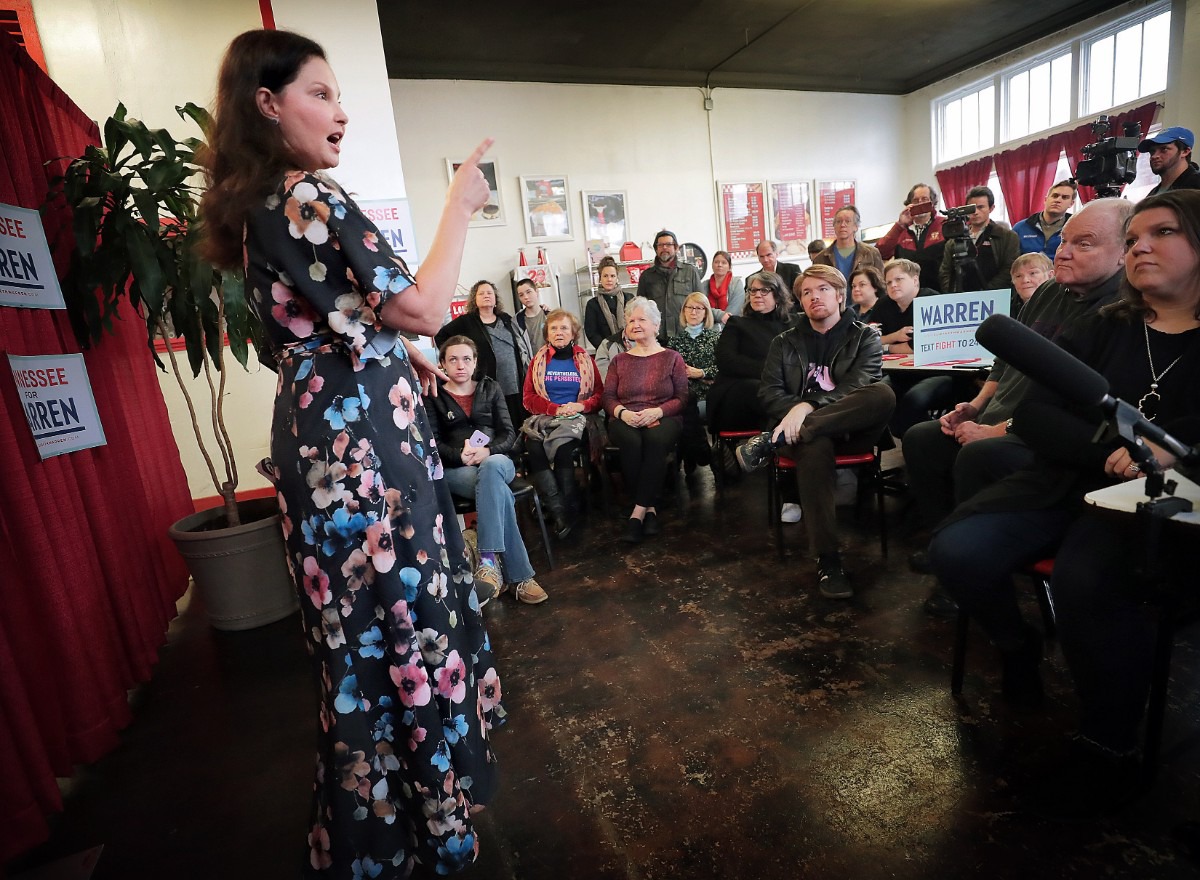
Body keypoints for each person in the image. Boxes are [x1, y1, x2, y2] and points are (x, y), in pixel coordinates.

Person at [198, 29, 501, 875]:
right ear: (269, 103)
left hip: (324, 433)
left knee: (360, 634)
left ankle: (398, 819)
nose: (341, 112)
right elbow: (425, 307)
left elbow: (310, 327)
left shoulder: (262, 205)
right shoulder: (306, 196)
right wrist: (459, 206)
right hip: (361, 451)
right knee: (400, 623)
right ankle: (423, 825)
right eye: (320, 94)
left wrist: (378, 348)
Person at [928, 190, 1200, 815]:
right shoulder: (1106, 326)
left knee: (1085, 579)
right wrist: (1114, 445)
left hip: (1157, 512)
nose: (1140, 246)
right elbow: (1036, 416)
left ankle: (1109, 735)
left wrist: (1164, 455)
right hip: (1065, 483)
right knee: (956, 551)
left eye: (1161, 233)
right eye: (1133, 239)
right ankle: (1018, 645)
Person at [905, 199, 1133, 617]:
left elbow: (1068, 404)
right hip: (1002, 414)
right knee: (922, 438)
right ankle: (947, 541)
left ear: (1124, 253)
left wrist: (1001, 430)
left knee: (979, 453)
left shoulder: (1117, 313)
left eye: (1083, 244)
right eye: (1063, 241)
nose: (1062, 252)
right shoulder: (1048, 291)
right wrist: (973, 407)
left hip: (1042, 434)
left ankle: (976, 568)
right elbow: (1005, 360)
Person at [734, 265, 895, 598]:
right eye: (806, 292)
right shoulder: (785, 341)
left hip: (851, 430)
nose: (813, 297)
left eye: (822, 289)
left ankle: (770, 442)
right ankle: (829, 560)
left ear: (839, 295)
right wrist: (795, 412)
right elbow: (769, 392)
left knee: (883, 394)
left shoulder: (866, 336)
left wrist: (807, 407)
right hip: (803, 436)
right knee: (815, 444)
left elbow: (859, 385)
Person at [426, 336, 548, 605]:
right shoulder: (434, 394)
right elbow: (432, 443)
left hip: (497, 460)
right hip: (458, 469)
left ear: (475, 362)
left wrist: (488, 451)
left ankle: (488, 560)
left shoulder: (490, 388)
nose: (461, 365)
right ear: (442, 364)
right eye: (453, 359)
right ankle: (521, 578)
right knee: (499, 495)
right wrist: (458, 455)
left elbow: (508, 432)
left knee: (492, 468)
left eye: (466, 359)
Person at [602, 297, 689, 543]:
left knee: (654, 438)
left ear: (656, 325)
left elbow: (682, 397)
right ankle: (650, 509)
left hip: (663, 415)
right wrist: (623, 413)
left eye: (642, 319)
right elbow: (607, 397)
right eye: (631, 320)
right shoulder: (619, 360)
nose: (635, 324)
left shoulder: (672, 357)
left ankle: (638, 511)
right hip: (625, 416)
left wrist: (658, 412)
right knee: (631, 441)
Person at [522, 309, 604, 537]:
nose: (559, 332)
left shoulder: (585, 360)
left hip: (577, 419)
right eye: (554, 328)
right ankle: (560, 511)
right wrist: (554, 409)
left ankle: (564, 508)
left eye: (564, 328)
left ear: (573, 333)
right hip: (546, 417)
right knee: (534, 445)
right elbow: (528, 398)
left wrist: (581, 406)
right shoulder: (537, 361)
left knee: (563, 449)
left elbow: (599, 395)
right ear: (547, 333)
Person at [436, 279, 534, 430]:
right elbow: (441, 335)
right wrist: (454, 357)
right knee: (494, 420)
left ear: (495, 298)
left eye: (489, 292)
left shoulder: (506, 318)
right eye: (481, 293)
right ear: (474, 299)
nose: (486, 295)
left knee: (517, 419)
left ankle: (519, 450)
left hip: (513, 380)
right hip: (486, 381)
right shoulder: (466, 321)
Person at [875, 259, 952, 438]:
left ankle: (921, 444)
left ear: (915, 280)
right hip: (899, 374)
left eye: (899, 279)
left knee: (913, 400)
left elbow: (921, 346)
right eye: (888, 282)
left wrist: (886, 346)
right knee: (878, 396)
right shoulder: (883, 304)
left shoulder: (932, 300)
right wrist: (894, 338)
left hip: (936, 373)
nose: (893, 285)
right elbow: (868, 340)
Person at [667, 292, 721, 473]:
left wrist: (702, 372)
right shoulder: (674, 342)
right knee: (683, 410)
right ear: (683, 311)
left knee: (687, 414)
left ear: (706, 313)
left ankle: (690, 455)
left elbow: (724, 369)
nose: (693, 312)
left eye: (699, 308)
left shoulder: (715, 339)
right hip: (683, 394)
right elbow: (667, 372)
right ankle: (701, 450)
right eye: (689, 307)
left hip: (708, 394)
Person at [938, 185, 1020, 293]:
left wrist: (984, 293)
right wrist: (954, 294)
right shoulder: (954, 240)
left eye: (981, 207)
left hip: (994, 297)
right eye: (971, 208)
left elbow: (1009, 270)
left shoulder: (1008, 237)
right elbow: (945, 272)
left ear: (991, 208)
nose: (975, 212)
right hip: (959, 299)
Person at [875, 183, 947, 291]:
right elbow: (880, 253)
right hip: (906, 295)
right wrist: (900, 225)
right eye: (916, 201)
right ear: (909, 204)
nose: (920, 203)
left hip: (939, 293)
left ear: (932, 203)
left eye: (924, 199)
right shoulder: (901, 229)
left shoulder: (944, 224)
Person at [636, 229, 703, 338]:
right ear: (656, 249)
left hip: (686, 336)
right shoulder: (646, 276)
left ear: (676, 248)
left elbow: (702, 304)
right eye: (661, 245)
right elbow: (640, 309)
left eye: (668, 244)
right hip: (657, 338)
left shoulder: (690, 272)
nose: (664, 248)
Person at [812, 206, 885, 280]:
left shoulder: (871, 254)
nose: (842, 225)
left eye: (847, 221)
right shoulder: (821, 258)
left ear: (856, 226)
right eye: (838, 221)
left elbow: (881, 284)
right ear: (834, 226)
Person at [1012, 180, 1077, 258]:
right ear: (1045, 200)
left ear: (1071, 203)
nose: (1058, 200)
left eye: (1064, 197)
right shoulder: (1020, 228)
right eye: (1055, 196)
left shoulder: (1076, 229)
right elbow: (1010, 260)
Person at [584, 255, 631, 349]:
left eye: (612, 276)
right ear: (600, 278)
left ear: (617, 278)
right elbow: (591, 333)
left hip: (631, 348)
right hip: (606, 351)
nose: (609, 279)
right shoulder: (593, 304)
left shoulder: (629, 298)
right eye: (605, 276)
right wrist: (608, 348)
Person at [1140, 126, 1200, 194]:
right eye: (1152, 151)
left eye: (1164, 149)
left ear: (1185, 151)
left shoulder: (1196, 185)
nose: (1154, 156)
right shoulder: (1153, 193)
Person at [701, 249, 745, 324]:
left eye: (724, 263)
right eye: (716, 262)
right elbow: (701, 309)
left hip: (731, 327)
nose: (719, 265)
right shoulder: (704, 285)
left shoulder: (737, 284)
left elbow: (731, 315)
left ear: (729, 267)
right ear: (712, 265)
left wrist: (713, 315)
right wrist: (720, 315)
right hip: (708, 328)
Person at [514, 276, 550, 352]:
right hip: (532, 362)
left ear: (536, 292)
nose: (526, 297)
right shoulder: (516, 321)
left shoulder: (550, 315)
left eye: (528, 292)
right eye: (521, 295)